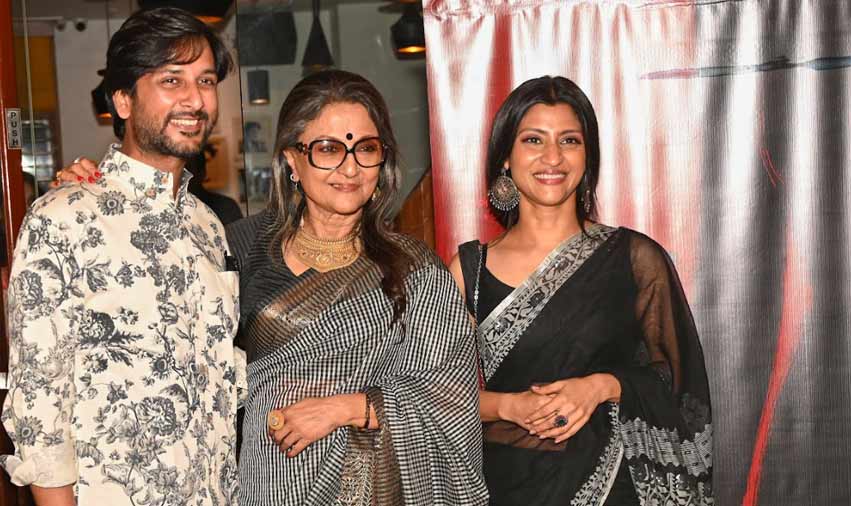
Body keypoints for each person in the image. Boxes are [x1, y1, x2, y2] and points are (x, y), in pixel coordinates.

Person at [59, 70, 490, 505]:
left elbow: (451, 397)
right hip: (264, 485)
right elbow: (158, 335)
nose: (350, 167)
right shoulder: (234, 247)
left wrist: (350, 407)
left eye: (366, 149)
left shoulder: (416, 270)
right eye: (327, 149)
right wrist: (96, 201)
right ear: (292, 161)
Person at [1, 8, 245, 505]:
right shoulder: (62, 218)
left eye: (205, 80)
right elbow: (40, 405)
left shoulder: (208, 227)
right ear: (123, 100)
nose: (195, 99)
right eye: (171, 80)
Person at [448, 76, 714, 505]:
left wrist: (601, 386)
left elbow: (679, 382)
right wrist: (509, 407)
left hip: (614, 484)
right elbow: (433, 393)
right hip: (507, 484)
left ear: (587, 156)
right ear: (505, 158)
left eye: (569, 140)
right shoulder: (469, 270)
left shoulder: (633, 257)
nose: (552, 156)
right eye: (533, 139)